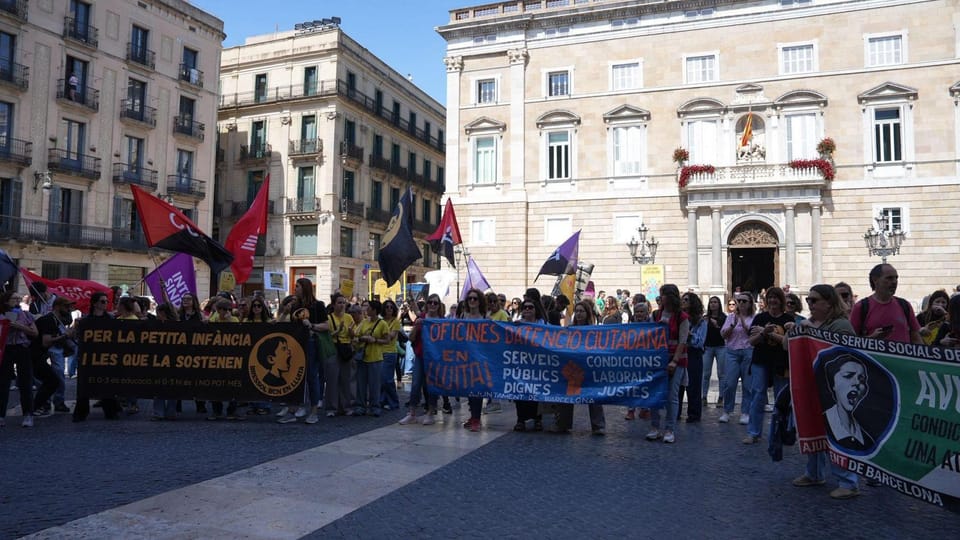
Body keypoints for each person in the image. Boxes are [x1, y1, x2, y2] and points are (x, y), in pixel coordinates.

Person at [788, 284, 862, 500]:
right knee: (812, 428)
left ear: (828, 303)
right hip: (813, 385)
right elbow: (787, 346)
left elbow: (844, 356)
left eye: (814, 300)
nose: (809, 304)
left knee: (837, 431)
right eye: (809, 300)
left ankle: (848, 482)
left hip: (834, 389)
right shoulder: (809, 323)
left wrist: (811, 332)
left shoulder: (841, 326)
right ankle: (814, 473)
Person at [744, 287, 792, 444]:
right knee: (757, 395)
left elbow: (789, 344)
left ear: (781, 300)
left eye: (776, 298)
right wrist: (764, 333)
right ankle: (753, 432)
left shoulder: (788, 319)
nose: (772, 301)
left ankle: (780, 432)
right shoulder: (760, 318)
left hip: (781, 362)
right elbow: (751, 342)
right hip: (761, 360)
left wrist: (769, 333)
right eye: (770, 298)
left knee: (781, 399)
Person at [551, 300, 606, 435]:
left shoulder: (594, 330)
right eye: (578, 311)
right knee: (567, 396)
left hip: (589, 367)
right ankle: (562, 424)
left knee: (594, 397)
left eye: (582, 311)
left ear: (588, 313)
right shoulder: (569, 329)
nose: (580, 314)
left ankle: (598, 426)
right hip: (573, 368)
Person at [646, 284, 688, 444]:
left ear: (670, 296)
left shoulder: (681, 317)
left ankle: (669, 429)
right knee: (654, 394)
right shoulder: (656, 314)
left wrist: (674, 361)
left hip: (677, 360)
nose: (660, 297)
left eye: (662, 294)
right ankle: (655, 427)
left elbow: (682, 341)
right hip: (658, 359)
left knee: (672, 395)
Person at [72, 292, 122, 421]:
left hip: (106, 356)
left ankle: (110, 411)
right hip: (88, 357)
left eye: (106, 301)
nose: (105, 304)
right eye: (103, 301)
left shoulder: (111, 320)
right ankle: (81, 412)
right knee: (84, 384)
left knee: (107, 383)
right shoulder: (85, 321)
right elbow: (78, 337)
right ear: (95, 303)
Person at [399, 293, 443, 426]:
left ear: (439, 305)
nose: (432, 305)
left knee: (431, 386)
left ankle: (430, 412)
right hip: (420, 355)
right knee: (416, 383)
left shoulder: (442, 321)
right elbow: (411, 338)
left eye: (435, 303)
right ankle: (411, 413)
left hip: (435, 358)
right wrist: (417, 327)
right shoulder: (421, 319)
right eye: (430, 302)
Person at [849, 264, 922, 344]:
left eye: (896, 278)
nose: (894, 282)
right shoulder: (861, 307)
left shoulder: (905, 305)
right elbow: (851, 341)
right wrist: (871, 338)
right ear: (875, 280)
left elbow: (916, 337)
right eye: (889, 278)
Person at [32, 297, 78, 415]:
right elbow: (46, 341)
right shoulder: (49, 320)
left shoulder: (57, 319)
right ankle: (37, 406)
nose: (69, 309)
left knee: (53, 379)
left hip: (40, 353)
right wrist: (65, 336)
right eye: (66, 306)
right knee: (51, 380)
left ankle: (39, 405)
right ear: (57, 306)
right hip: (35, 353)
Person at [0, 290, 39, 427]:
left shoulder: (26, 315)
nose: (17, 301)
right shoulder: (2, 315)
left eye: (18, 299)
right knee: (3, 383)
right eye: (14, 299)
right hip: (6, 349)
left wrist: (19, 326)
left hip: (22, 349)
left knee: (26, 382)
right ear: (6, 301)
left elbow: (35, 333)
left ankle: (28, 414)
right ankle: (1, 415)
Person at [719, 291, 755, 425]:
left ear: (750, 303)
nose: (740, 304)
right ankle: (727, 411)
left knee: (748, 384)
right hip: (732, 351)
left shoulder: (753, 318)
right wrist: (733, 324)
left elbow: (751, 333)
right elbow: (723, 334)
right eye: (739, 301)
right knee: (729, 383)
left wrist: (743, 322)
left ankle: (745, 412)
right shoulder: (730, 317)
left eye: (744, 301)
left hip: (748, 351)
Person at [513, 295, 545, 432]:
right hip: (522, 363)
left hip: (538, 364)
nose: (527, 310)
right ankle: (521, 420)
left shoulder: (543, 325)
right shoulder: (517, 324)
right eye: (524, 307)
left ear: (535, 309)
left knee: (537, 392)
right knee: (519, 391)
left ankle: (538, 419)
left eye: (530, 307)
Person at [206, 298, 240, 421]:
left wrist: (229, 320)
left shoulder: (234, 320)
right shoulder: (213, 319)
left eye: (228, 309)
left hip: (231, 357)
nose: (226, 312)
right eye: (223, 309)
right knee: (216, 385)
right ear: (218, 310)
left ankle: (232, 411)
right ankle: (217, 411)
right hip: (216, 357)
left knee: (233, 385)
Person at [352, 300, 387, 417]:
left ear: (374, 310)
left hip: (376, 358)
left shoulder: (382, 324)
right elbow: (356, 335)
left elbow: (387, 340)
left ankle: (375, 407)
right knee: (361, 384)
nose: (366, 310)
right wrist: (358, 337)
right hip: (363, 356)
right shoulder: (364, 322)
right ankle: (360, 406)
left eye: (369, 308)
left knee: (374, 385)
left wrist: (375, 340)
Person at [460, 288, 488, 432]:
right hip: (465, 357)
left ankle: (477, 419)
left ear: (479, 302)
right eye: (469, 298)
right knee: (470, 390)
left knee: (477, 389)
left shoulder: (485, 319)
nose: (472, 301)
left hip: (480, 358)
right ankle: (473, 416)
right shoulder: (462, 317)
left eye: (475, 299)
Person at [325, 293, 355, 417]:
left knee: (346, 378)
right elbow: (327, 336)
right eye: (339, 302)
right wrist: (338, 330)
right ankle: (331, 407)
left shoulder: (349, 317)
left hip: (346, 348)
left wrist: (350, 331)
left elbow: (352, 335)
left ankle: (346, 406)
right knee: (332, 379)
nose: (342, 305)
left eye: (343, 302)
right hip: (333, 348)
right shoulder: (329, 318)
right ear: (333, 304)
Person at [679, 293, 705, 423]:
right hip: (680, 352)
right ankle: (676, 412)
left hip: (693, 354)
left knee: (693, 385)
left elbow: (699, 342)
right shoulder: (679, 318)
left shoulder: (701, 321)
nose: (683, 301)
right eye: (682, 299)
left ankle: (694, 414)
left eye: (686, 300)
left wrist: (689, 335)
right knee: (677, 385)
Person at [151, 303, 180, 420]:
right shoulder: (158, 324)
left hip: (168, 359)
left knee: (165, 386)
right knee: (165, 386)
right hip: (166, 360)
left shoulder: (176, 325)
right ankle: (166, 412)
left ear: (163, 313)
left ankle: (163, 412)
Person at [702, 296, 727, 408]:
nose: (713, 304)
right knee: (706, 373)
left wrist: (715, 324)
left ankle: (721, 397)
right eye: (711, 302)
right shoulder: (705, 318)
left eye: (715, 302)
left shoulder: (724, 317)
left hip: (721, 346)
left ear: (719, 304)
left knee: (721, 373)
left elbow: (725, 332)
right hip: (707, 347)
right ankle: (703, 396)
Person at [379, 299, 402, 411]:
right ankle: (383, 400)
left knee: (387, 379)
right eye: (387, 307)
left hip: (390, 352)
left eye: (391, 307)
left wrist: (380, 334)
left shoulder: (395, 322)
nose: (389, 309)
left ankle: (393, 402)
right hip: (379, 352)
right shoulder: (381, 321)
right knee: (381, 379)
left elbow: (391, 336)